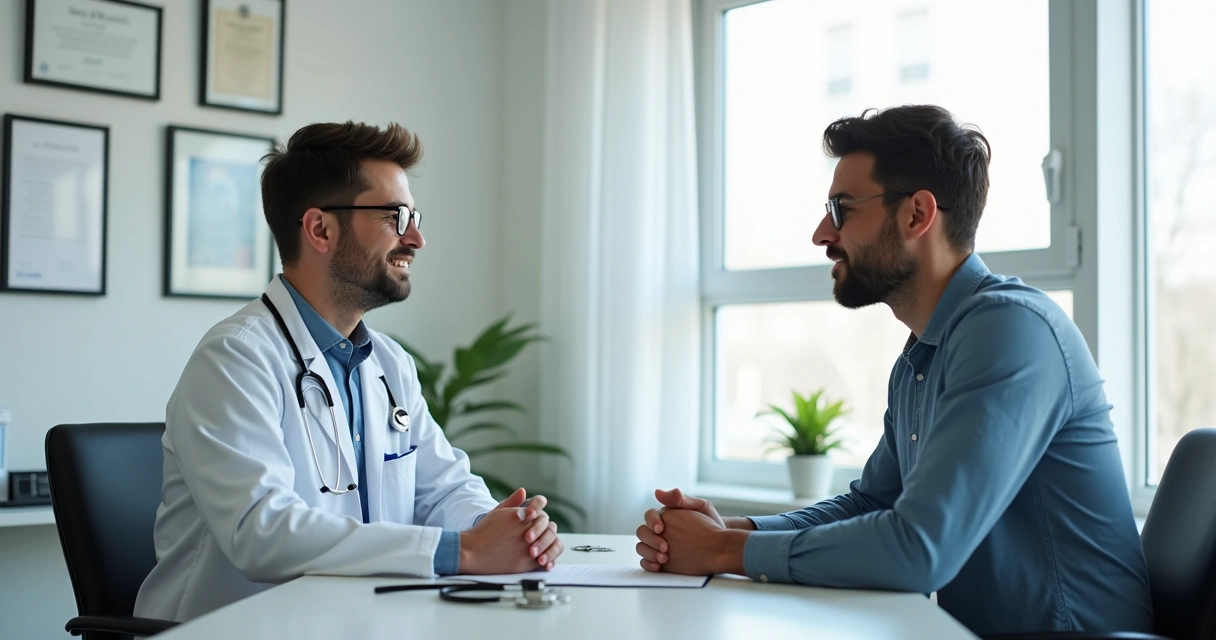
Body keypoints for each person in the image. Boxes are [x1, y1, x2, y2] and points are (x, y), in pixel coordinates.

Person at [635, 105, 1153, 636]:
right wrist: (734, 527)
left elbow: (919, 548)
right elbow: (873, 503)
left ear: (916, 215)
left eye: (841, 209)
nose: (820, 233)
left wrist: (723, 550)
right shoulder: (923, 354)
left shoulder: (1010, 330)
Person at [135, 122, 564, 621]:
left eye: (414, 216)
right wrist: (461, 551)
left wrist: (498, 524)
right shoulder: (235, 358)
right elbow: (261, 533)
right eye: (396, 216)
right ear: (320, 229)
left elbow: (443, 487)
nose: (417, 238)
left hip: (354, 622)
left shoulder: (388, 363)